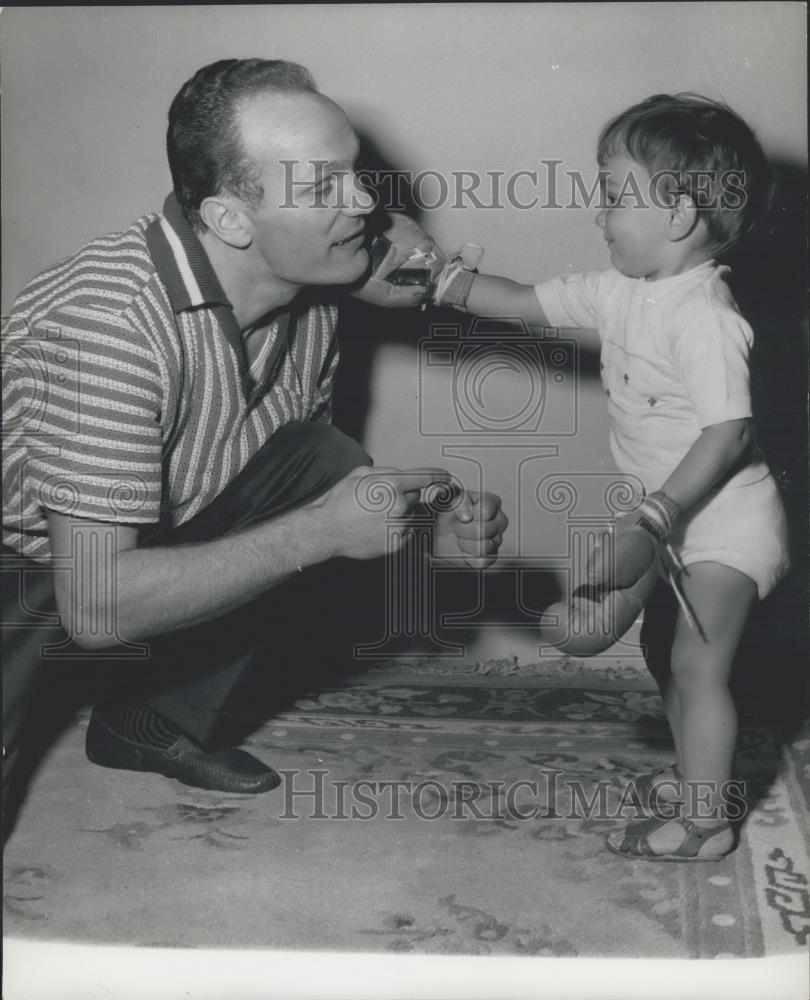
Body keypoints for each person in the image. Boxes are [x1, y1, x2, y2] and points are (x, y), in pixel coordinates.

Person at [2, 58, 507, 796]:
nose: (365, 200)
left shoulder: (310, 290)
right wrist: (317, 535)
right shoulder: (107, 327)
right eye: (322, 185)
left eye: (355, 171)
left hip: (104, 553)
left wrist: (423, 529)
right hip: (25, 570)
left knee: (325, 462)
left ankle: (147, 722)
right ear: (230, 218)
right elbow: (99, 607)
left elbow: (280, 489)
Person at [429, 93, 790, 860]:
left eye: (615, 195)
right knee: (665, 657)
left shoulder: (705, 316)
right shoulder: (620, 290)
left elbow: (730, 432)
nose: (600, 213)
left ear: (681, 215)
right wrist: (446, 284)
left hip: (724, 522)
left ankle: (706, 825)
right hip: (669, 523)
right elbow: (527, 305)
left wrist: (655, 519)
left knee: (698, 664)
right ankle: (701, 775)